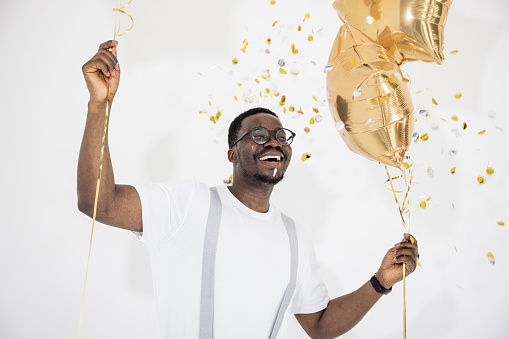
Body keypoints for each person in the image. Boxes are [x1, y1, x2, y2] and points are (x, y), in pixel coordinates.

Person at [78, 40, 419, 339]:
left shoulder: (294, 237)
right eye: (258, 135)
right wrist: (99, 106)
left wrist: (381, 281)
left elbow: (319, 324)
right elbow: (100, 204)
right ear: (232, 153)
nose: (273, 141)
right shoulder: (189, 203)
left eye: (281, 136)